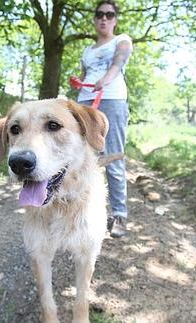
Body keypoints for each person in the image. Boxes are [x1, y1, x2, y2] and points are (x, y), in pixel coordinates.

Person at [75, 0, 132, 238]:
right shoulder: (88, 50)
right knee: (81, 158)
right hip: (85, 103)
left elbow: (118, 63)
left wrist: (105, 80)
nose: (104, 18)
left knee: (113, 157)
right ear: (95, 19)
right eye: (99, 14)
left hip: (112, 100)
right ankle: (82, 210)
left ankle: (119, 215)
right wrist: (77, 81)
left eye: (109, 14)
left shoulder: (122, 40)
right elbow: (85, 74)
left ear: (115, 19)